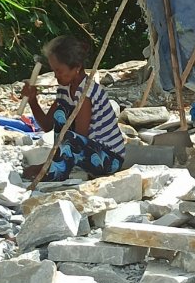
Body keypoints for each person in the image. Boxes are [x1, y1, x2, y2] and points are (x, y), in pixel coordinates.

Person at [20, 35, 126, 181]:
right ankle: (56, 167)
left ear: (76, 67)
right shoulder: (65, 89)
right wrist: (32, 101)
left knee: (70, 139)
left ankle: (55, 172)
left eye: (59, 71)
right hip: (85, 150)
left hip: (109, 157)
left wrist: (43, 166)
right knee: (61, 113)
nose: (56, 76)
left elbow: (76, 140)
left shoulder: (86, 93)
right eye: (54, 71)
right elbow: (47, 125)